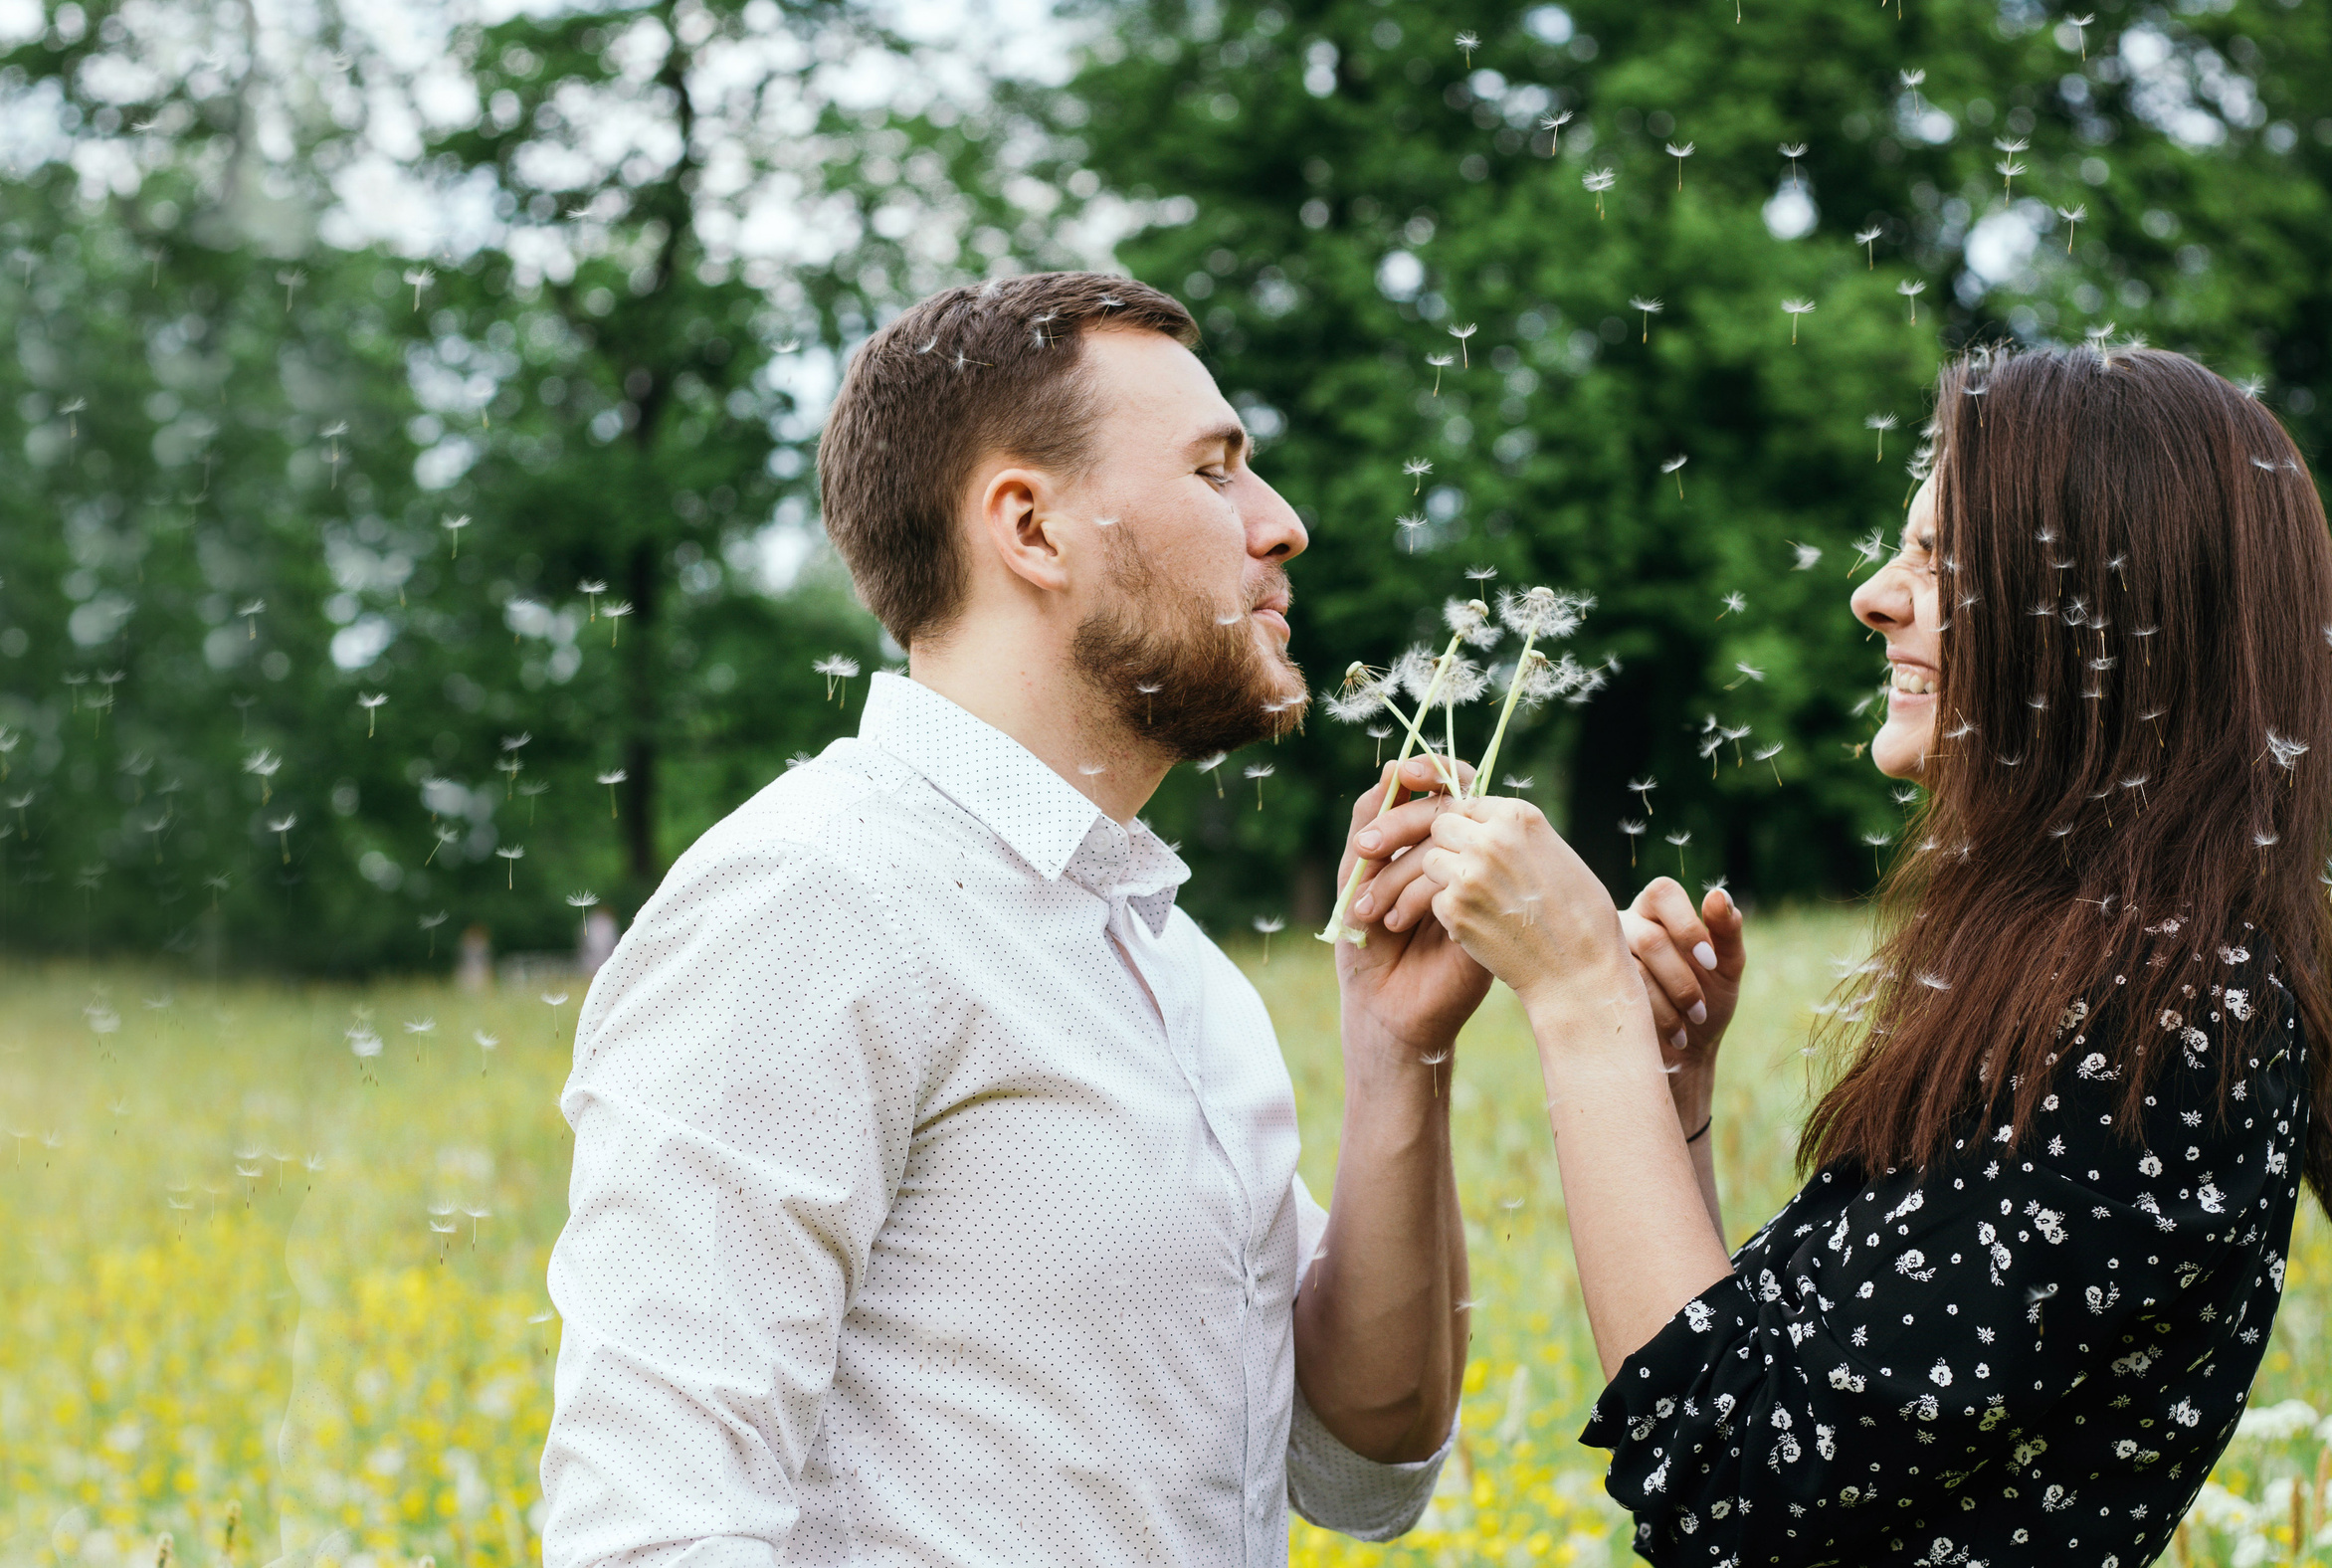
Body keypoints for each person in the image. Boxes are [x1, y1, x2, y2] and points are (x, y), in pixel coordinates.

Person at [539, 273, 1490, 1565]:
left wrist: (1398, 1053)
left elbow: (1360, 1467)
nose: (1283, 525)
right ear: (1032, 529)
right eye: (1214, 471)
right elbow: (653, 1529)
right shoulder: (808, 902)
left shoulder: (1174, 964)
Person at [1388, 343, 2329, 1565]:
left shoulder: (2165, 1021)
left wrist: (1580, 998)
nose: (1874, 597)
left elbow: (1728, 1486)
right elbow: (1771, 1397)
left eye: (1941, 560)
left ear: (2102, 617)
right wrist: (1666, 1095)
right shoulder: (2094, 978)